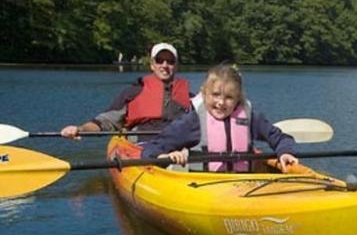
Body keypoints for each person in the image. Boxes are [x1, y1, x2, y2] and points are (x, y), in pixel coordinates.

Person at [141, 63, 298, 172]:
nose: (221, 103)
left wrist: (284, 152)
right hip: (204, 189)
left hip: (243, 187)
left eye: (229, 97)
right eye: (215, 94)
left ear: (238, 98)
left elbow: (281, 138)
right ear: (204, 93)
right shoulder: (193, 121)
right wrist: (165, 156)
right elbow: (151, 148)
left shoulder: (251, 119)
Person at [61, 42, 191, 138]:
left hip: (178, 148)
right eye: (159, 60)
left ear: (176, 65)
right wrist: (80, 129)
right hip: (142, 148)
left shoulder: (189, 97)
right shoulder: (133, 93)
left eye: (170, 61)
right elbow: (106, 121)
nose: (165, 65)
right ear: (152, 64)